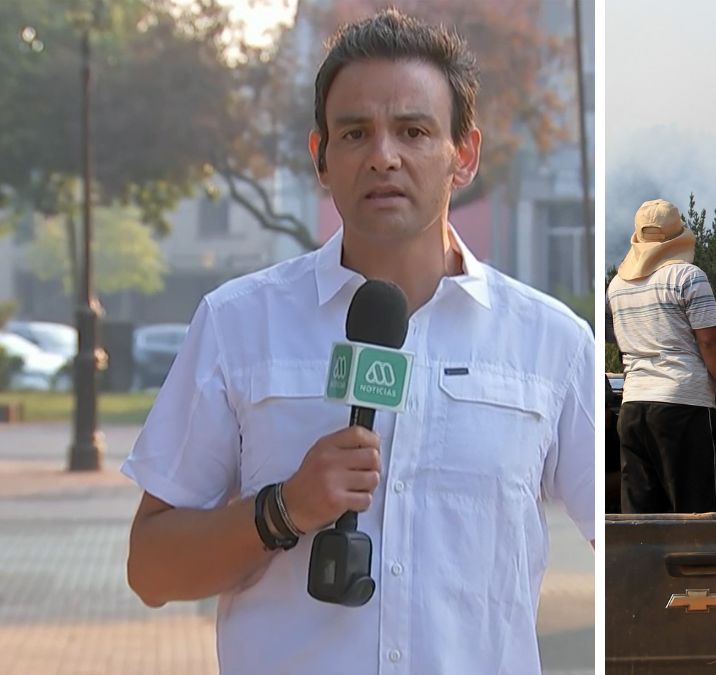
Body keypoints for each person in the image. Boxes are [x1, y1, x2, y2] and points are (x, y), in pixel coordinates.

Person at [122, 11, 594, 674]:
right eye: (355, 132)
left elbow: (633, 540)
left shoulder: (552, 346)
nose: (383, 155)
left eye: (413, 130)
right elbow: (150, 568)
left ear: (464, 153)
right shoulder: (238, 326)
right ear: (321, 157)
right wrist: (283, 508)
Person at [606, 199, 716, 514]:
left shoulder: (617, 286)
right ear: (678, 236)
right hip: (683, 404)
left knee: (641, 515)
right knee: (695, 512)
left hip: (633, 408)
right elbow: (710, 342)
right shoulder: (688, 276)